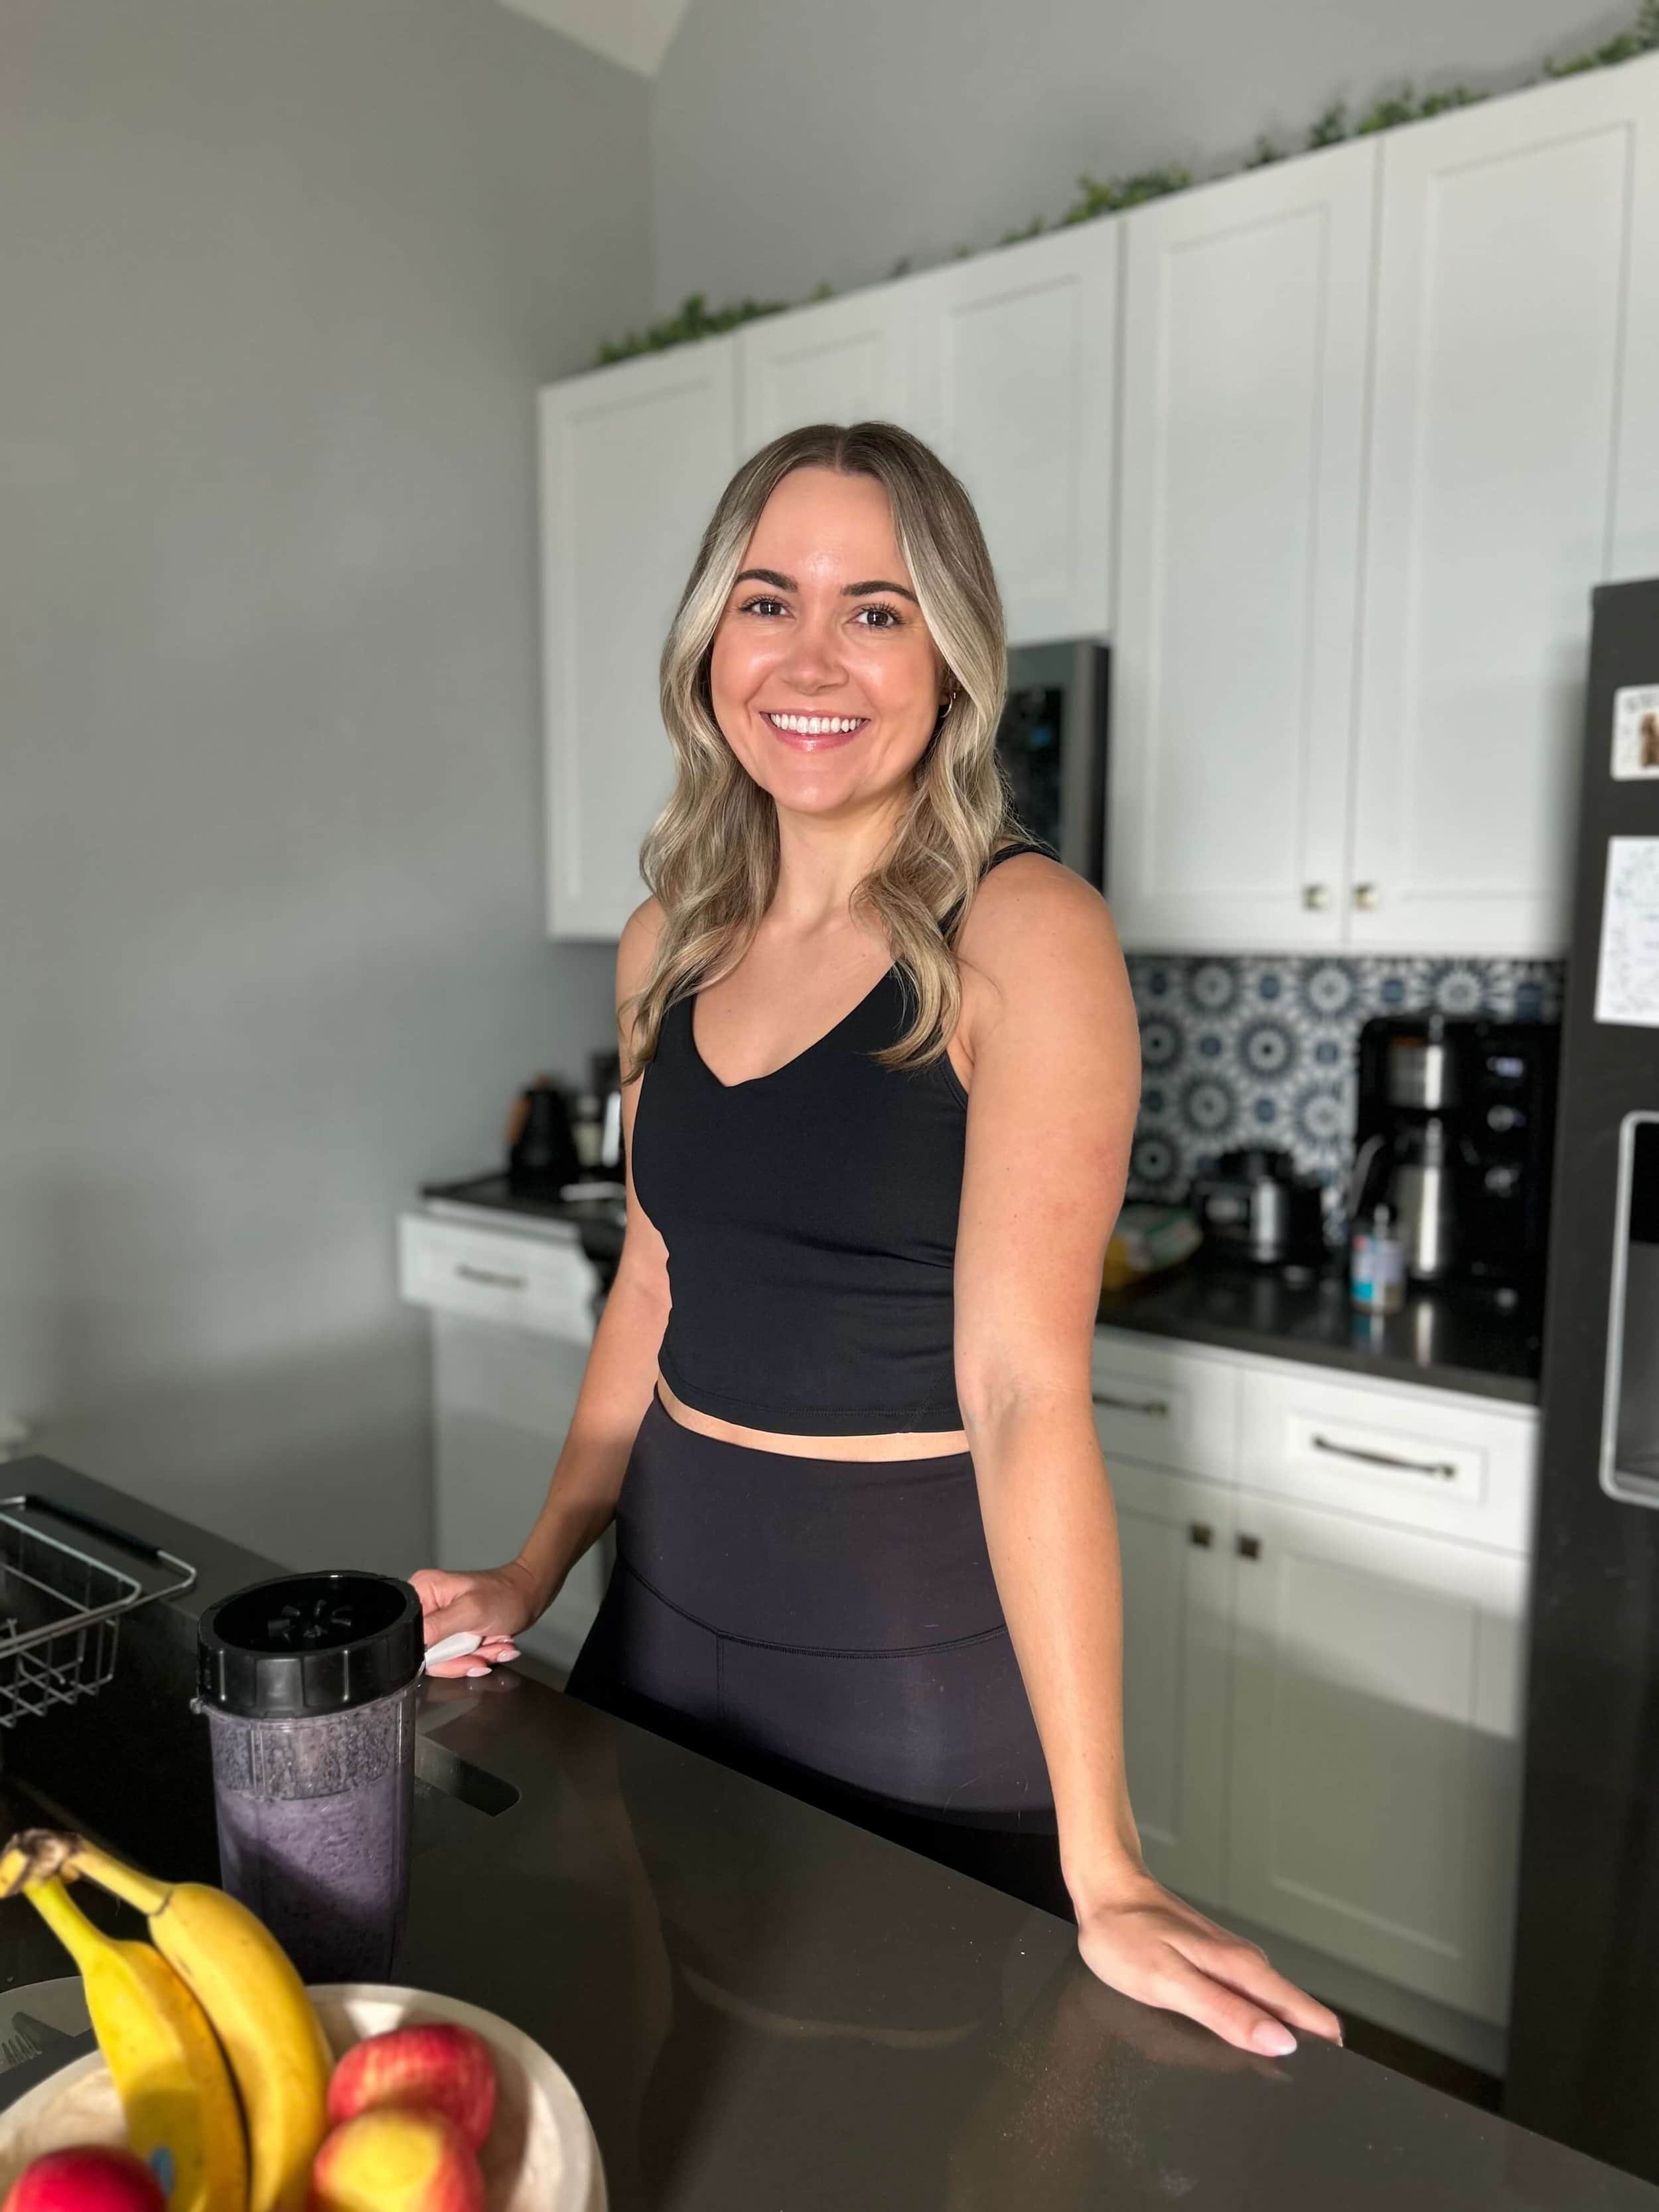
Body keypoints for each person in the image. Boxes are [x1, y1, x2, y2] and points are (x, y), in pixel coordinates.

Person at [409, 421, 1341, 2062]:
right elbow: (652, 1277)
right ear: (710, 644)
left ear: (949, 657)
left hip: (903, 1646)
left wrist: (1104, 1858)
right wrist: (532, 1566)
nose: (811, 657)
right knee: (653, 2062)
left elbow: (1023, 1388)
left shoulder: (1023, 932)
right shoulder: (664, 941)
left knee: (891, 2096)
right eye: (768, 600)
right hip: (666, 1604)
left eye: (878, 609)